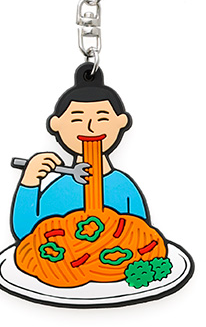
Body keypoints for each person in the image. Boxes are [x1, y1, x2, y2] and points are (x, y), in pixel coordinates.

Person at [11, 63, 149, 240]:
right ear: (56, 124)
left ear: (121, 122)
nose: (90, 127)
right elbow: (26, 232)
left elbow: (142, 235)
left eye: (102, 118)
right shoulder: (59, 190)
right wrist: (30, 182)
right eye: (77, 120)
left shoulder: (123, 187)